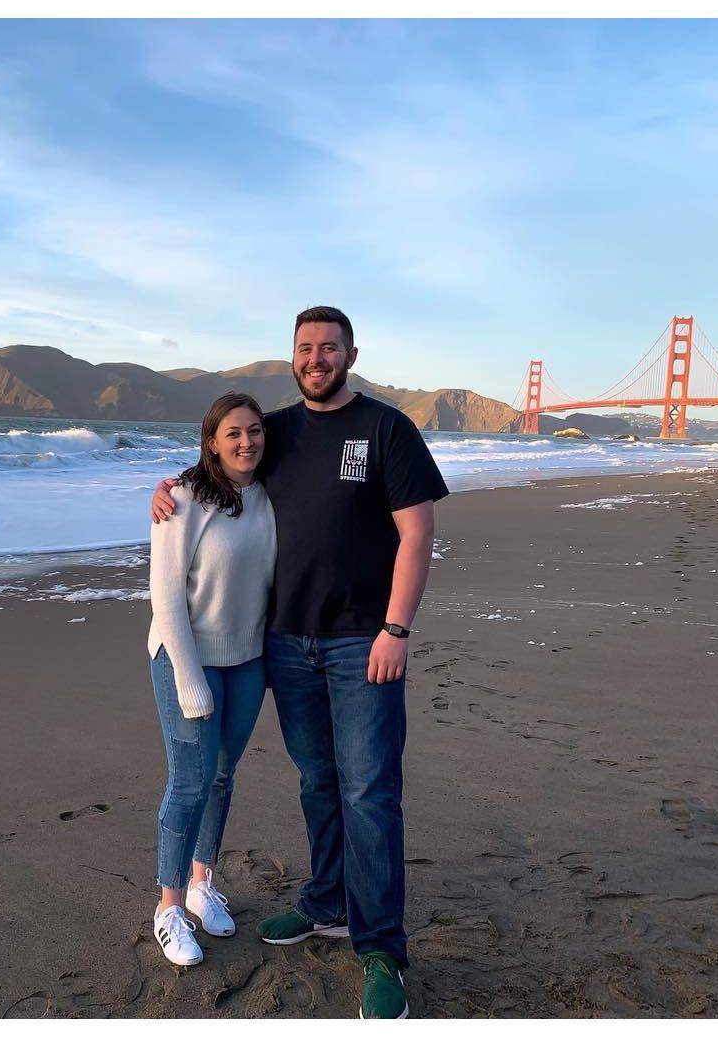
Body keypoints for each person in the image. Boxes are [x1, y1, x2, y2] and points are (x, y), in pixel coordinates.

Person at [152, 306, 448, 1017]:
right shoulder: (277, 430)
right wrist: (167, 489)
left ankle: (380, 948)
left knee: (370, 790)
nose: (317, 358)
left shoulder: (386, 429)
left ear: (351, 353)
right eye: (306, 348)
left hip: (360, 643)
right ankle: (326, 903)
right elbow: (221, 460)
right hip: (284, 643)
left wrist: (396, 629)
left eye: (329, 348)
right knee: (317, 780)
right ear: (294, 356)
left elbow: (417, 533)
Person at [147, 392, 277, 967]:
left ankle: (203, 884)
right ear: (211, 442)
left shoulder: (271, 495)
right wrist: (189, 677)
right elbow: (166, 595)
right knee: (190, 781)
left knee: (223, 777)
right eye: (233, 433)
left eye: (254, 431)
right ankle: (169, 906)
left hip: (248, 661)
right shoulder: (181, 500)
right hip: (186, 658)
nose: (246, 441)